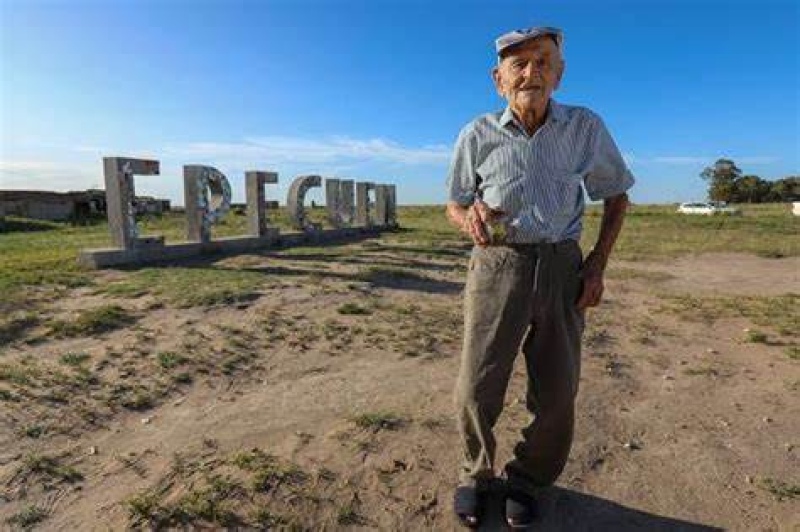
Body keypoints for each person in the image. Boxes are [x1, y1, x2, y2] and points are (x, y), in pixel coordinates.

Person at [445, 25, 634, 528]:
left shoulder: (584, 127)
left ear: (560, 71)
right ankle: (476, 475)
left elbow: (616, 195)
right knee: (475, 386)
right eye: (519, 63)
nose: (532, 72)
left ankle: (527, 479)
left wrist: (596, 265)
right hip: (496, 266)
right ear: (498, 78)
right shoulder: (477, 133)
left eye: (543, 61)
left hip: (561, 266)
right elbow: (456, 202)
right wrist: (468, 219)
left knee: (557, 390)